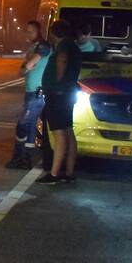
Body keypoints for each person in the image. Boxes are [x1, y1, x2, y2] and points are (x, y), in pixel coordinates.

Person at [36, 19, 83, 185]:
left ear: (54, 33)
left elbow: (62, 60)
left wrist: (57, 83)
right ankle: (68, 172)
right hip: (66, 94)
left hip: (59, 94)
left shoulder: (63, 45)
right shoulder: (72, 45)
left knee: (59, 132)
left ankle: (55, 174)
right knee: (68, 131)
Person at [5, 21, 51, 170]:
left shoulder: (43, 46)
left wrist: (26, 67)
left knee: (23, 125)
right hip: (31, 92)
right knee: (29, 126)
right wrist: (26, 67)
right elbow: (25, 67)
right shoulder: (35, 46)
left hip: (37, 93)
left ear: (39, 31)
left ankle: (22, 158)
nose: (28, 34)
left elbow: (27, 66)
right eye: (27, 31)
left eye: (31, 31)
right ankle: (23, 158)